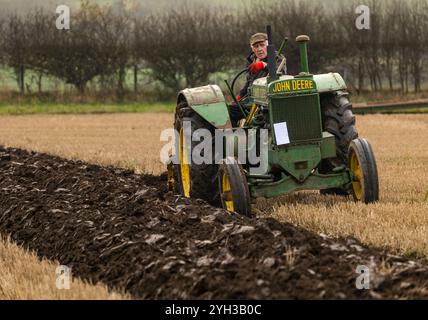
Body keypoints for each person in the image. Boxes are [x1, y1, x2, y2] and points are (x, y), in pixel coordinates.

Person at [229, 32, 286, 127]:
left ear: (268, 45)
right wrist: (240, 96)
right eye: (256, 46)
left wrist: (264, 65)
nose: (259, 49)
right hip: (251, 99)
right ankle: (233, 138)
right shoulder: (252, 60)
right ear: (252, 48)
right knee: (230, 110)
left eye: (262, 45)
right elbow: (249, 82)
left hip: (267, 99)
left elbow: (280, 75)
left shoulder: (278, 58)